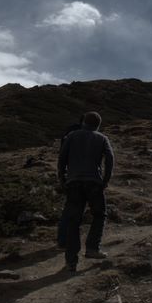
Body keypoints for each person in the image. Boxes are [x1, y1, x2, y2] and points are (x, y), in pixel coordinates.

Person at [57, 111, 114, 272]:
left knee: (73, 221)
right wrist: (105, 181)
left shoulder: (72, 136)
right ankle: (92, 249)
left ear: (83, 122)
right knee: (99, 214)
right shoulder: (102, 138)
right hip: (94, 182)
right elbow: (110, 160)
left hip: (73, 183)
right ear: (98, 125)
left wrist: (62, 178)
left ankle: (70, 262)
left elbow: (62, 159)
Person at [56, 115, 84, 249]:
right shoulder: (85, 135)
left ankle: (63, 239)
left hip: (70, 175)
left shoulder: (70, 133)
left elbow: (62, 157)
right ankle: (67, 240)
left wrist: (61, 176)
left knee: (70, 207)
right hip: (83, 176)